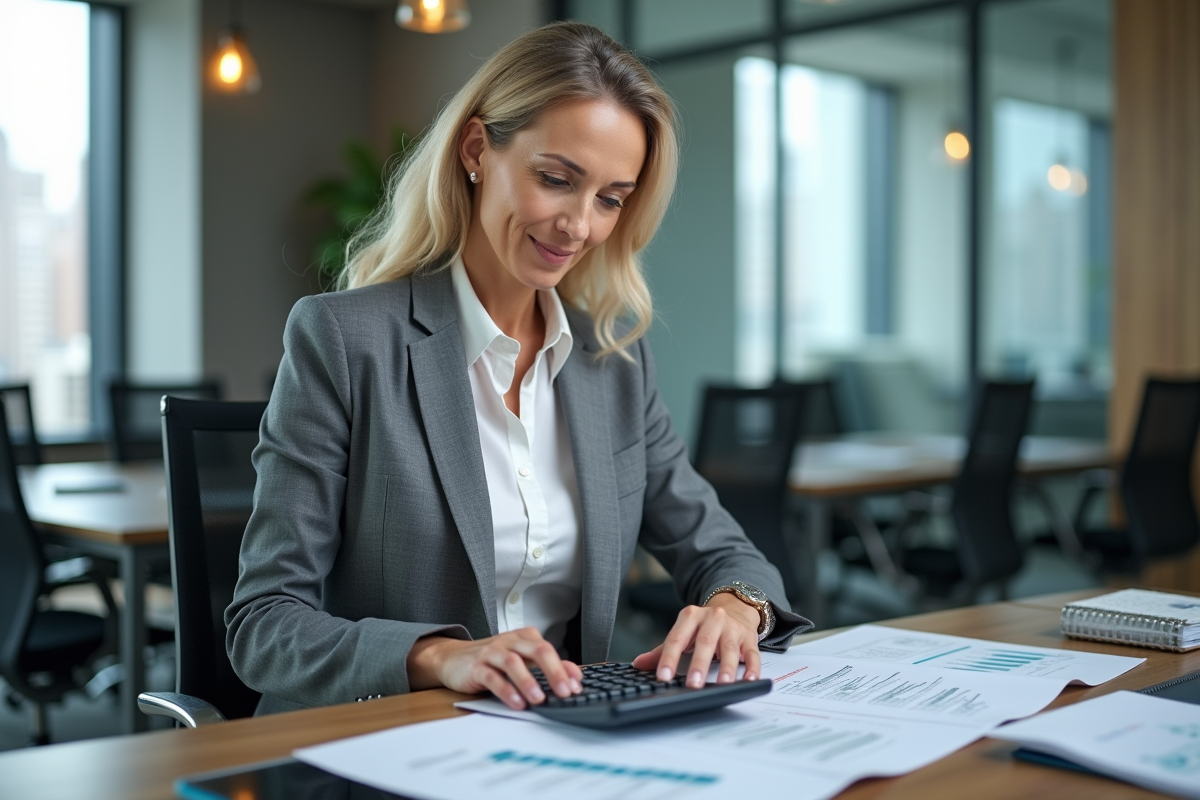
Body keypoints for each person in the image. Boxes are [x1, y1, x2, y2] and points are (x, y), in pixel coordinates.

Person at [226, 21, 811, 716]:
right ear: (477, 150)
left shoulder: (611, 364)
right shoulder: (345, 341)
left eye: (610, 198)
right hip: (382, 739)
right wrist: (442, 656)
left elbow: (725, 551)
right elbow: (264, 621)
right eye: (556, 179)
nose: (579, 226)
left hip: (557, 740)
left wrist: (734, 611)